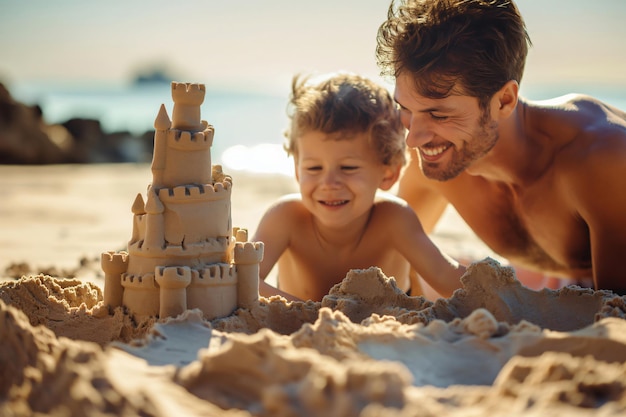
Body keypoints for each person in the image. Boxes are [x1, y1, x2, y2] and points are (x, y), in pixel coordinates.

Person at [375, 0, 626, 294]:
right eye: (405, 108)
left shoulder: (601, 160)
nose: (413, 139)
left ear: (504, 100)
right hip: (546, 281)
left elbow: (615, 315)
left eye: (439, 114)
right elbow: (392, 265)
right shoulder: (437, 158)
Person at [252, 73, 465, 302]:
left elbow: (447, 277)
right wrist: (311, 313)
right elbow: (242, 282)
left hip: (395, 314)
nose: (329, 183)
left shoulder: (395, 219)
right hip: (303, 318)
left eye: (348, 167)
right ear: (297, 169)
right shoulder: (285, 218)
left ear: (388, 172)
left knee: (432, 277)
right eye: (314, 168)